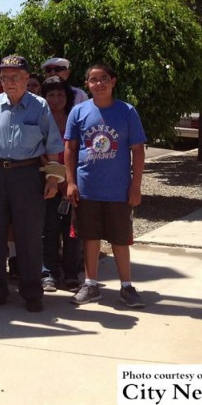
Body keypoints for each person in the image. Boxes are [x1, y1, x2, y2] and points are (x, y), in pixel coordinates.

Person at [0, 55, 63, 312]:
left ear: (26, 79)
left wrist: (53, 179)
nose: (9, 82)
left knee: (29, 236)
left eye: (15, 77)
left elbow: (53, 146)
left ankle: (32, 292)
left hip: (28, 175)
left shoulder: (40, 106)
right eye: (5, 78)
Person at [64, 63, 147, 308]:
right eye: (93, 79)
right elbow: (70, 148)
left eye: (104, 78)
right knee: (89, 237)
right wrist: (71, 182)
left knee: (120, 239)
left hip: (118, 190)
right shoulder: (78, 111)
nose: (98, 84)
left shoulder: (127, 111)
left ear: (113, 81)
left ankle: (126, 286)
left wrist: (135, 186)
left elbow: (138, 150)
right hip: (87, 188)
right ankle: (91, 285)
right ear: (87, 84)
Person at [40, 75, 81, 292]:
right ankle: (49, 273)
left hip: (73, 183)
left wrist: (70, 180)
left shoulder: (76, 119)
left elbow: (79, 151)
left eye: (60, 94)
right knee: (49, 229)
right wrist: (56, 177)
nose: (56, 99)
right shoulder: (41, 119)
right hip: (48, 182)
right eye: (51, 94)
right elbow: (39, 151)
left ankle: (72, 273)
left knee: (72, 230)